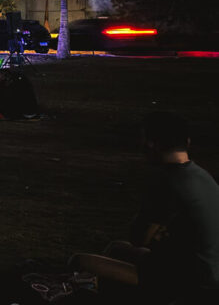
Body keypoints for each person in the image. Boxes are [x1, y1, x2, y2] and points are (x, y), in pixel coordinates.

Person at [70, 112, 219, 302]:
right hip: (203, 267)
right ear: (187, 142)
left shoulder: (168, 182)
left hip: (192, 279)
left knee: (80, 261)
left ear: (150, 144)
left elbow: (139, 238)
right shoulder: (201, 175)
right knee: (116, 248)